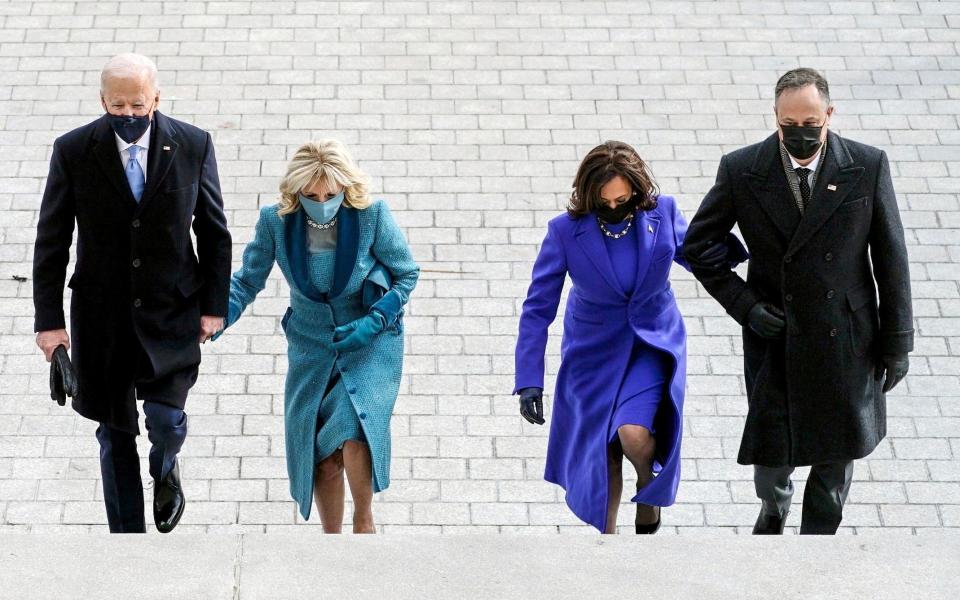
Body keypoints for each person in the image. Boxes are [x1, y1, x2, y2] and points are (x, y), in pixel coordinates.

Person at [682, 68, 913, 535]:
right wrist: (745, 306)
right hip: (777, 337)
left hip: (847, 340)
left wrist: (898, 342)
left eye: (811, 121)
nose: (800, 133)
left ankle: (815, 553)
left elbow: (891, 258)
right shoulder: (743, 170)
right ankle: (774, 509)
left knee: (833, 468)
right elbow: (697, 248)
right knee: (771, 463)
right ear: (775, 118)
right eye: (789, 124)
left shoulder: (866, 166)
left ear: (829, 114)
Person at [32, 53, 232, 533]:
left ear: (156, 98)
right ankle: (126, 541)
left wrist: (214, 307)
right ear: (102, 100)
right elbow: (52, 239)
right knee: (114, 435)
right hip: (102, 319)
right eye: (117, 104)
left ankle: (166, 469)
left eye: (137, 104)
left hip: (171, 311)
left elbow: (214, 230)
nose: (127, 114)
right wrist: (49, 323)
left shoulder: (193, 145)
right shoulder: (74, 150)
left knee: (165, 421)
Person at [513, 141, 744, 533]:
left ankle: (649, 487)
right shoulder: (564, 232)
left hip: (650, 345)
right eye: (606, 202)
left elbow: (698, 255)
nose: (616, 207)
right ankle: (609, 543)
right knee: (602, 457)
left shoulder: (663, 213)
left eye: (624, 199)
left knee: (633, 434)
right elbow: (537, 308)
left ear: (637, 190)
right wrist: (529, 381)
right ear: (589, 195)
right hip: (592, 353)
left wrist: (738, 248)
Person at [214, 139, 419, 533]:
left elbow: (406, 273)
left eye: (330, 193)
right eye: (311, 194)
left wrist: (373, 322)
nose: (321, 200)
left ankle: (364, 520)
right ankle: (332, 540)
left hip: (369, 343)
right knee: (321, 452)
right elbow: (246, 282)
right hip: (311, 347)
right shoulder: (276, 221)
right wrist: (214, 319)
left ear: (346, 187)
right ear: (296, 191)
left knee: (352, 429)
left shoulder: (371, 215)